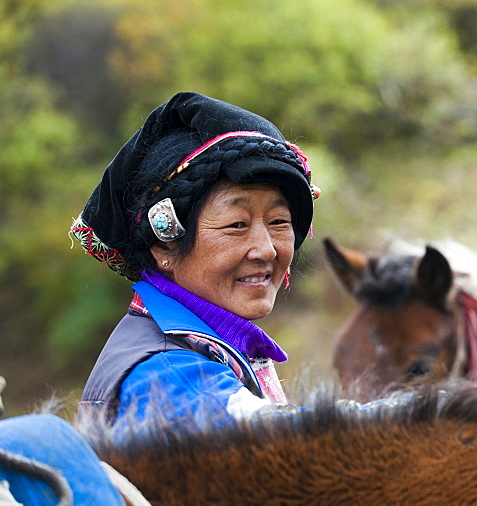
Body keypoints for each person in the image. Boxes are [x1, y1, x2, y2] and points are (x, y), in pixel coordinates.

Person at [71, 92, 320, 433]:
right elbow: (302, 444)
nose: (266, 250)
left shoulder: (211, 349)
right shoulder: (168, 376)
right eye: (237, 225)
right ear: (165, 247)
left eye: (278, 222)